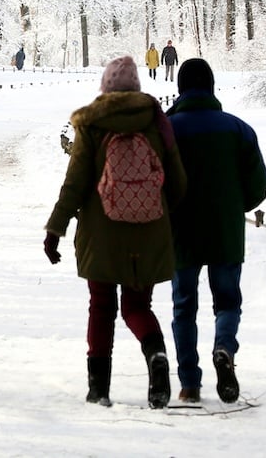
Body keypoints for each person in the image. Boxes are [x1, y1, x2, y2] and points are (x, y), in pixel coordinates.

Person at [43, 55, 187, 409]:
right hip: (149, 230)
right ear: (137, 87)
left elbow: (75, 182)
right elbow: (179, 184)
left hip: (101, 231)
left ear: (105, 87)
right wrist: (162, 213)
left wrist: (55, 228)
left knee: (102, 307)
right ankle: (155, 355)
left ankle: (99, 390)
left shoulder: (91, 123)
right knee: (138, 305)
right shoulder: (157, 122)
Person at [165, 58, 266, 405]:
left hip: (180, 230)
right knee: (227, 300)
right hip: (225, 230)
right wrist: (233, 205)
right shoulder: (237, 129)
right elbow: (259, 184)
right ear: (211, 87)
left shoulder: (166, 130)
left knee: (184, 307)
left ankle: (189, 383)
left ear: (180, 89)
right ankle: (224, 347)